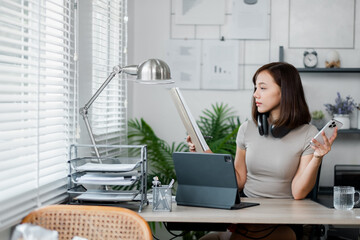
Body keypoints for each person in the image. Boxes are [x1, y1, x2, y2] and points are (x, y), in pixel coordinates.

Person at [186, 62, 338, 240]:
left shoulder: (308, 134)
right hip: (247, 214)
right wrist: (205, 154)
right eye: (255, 88)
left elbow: (298, 192)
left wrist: (317, 158)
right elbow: (239, 180)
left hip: (282, 219)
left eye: (263, 88)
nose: (255, 94)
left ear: (285, 91)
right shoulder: (247, 129)